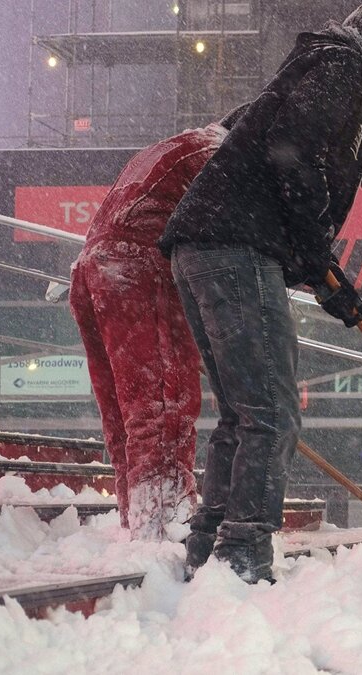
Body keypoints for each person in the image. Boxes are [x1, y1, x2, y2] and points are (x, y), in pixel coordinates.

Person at [158, 0, 362, 583]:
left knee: (244, 411)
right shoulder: (343, 66)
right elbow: (291, 153)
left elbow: (266, 156)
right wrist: (314, 250)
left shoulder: (312, 65)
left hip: (206, 246)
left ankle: (211, 543)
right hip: (235, 247)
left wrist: (323, 274)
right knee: (273, 412)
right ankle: (243, 553)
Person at [69, 114, 242, 542]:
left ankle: (139, 517)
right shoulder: (218, 154)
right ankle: (162, 527)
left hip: (93, 272)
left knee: (127, 414)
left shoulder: (175, 146)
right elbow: (232, 242)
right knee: (163, 407)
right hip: (136, 271)